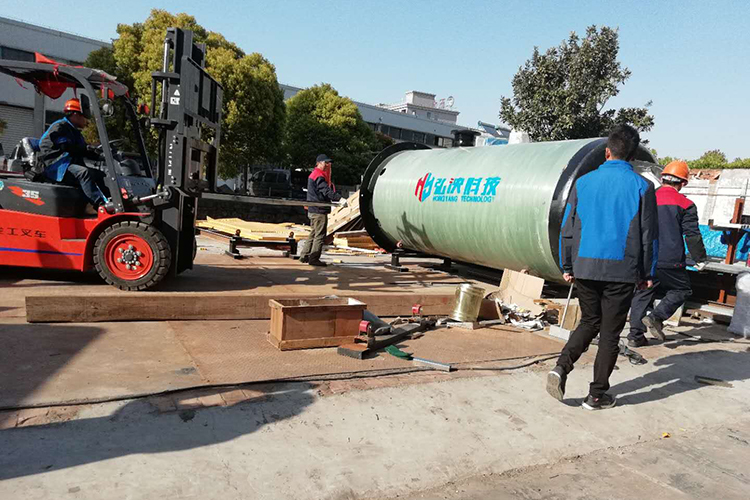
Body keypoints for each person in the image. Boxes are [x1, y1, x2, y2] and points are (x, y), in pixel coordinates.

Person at [546, 124, 659, 411]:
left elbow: (567, 227)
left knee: (588, 322)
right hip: (621, 270)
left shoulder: (583, 183)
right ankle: (596, 396)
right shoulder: (642, 187)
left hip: (585, 266)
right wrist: (647, 273)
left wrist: (567, 264)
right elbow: (649, 235)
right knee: (609, 333)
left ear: (607, 151)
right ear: (632, 156)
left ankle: (561, 367)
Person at [628, 160, 707, 347]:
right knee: (681, 289)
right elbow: (692, 235)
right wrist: (700, 259)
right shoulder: (686, 204)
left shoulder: (646, 198)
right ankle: (656, 317)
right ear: (683, 183)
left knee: (643, 293)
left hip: (645, 257)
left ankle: (635, 337)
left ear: (662, 178)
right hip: (670, 259)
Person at [38, 98, 108, 209]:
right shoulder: (60, 127)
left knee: (99, 174)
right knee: (84, 173)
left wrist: (101, 156)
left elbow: (83, 151)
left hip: (68, 165)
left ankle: (111, 201)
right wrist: (87, 148)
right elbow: (66, 147)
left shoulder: (74, 131)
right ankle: (100, 205)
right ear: (75, 114)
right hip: (56, 166)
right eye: (84, 116)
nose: (86, 120)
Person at [299, 154, 344, 267]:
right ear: (318, 163)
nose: (327, 165)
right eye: (325, 163)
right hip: (318, 210)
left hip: (313, 209)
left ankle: (304, 255)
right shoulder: (319, 175)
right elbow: (326, 190)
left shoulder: (314, 174)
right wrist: (339, 198)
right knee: (319, 235)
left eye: (328, 163)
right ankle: (314, 258)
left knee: (313, 233)